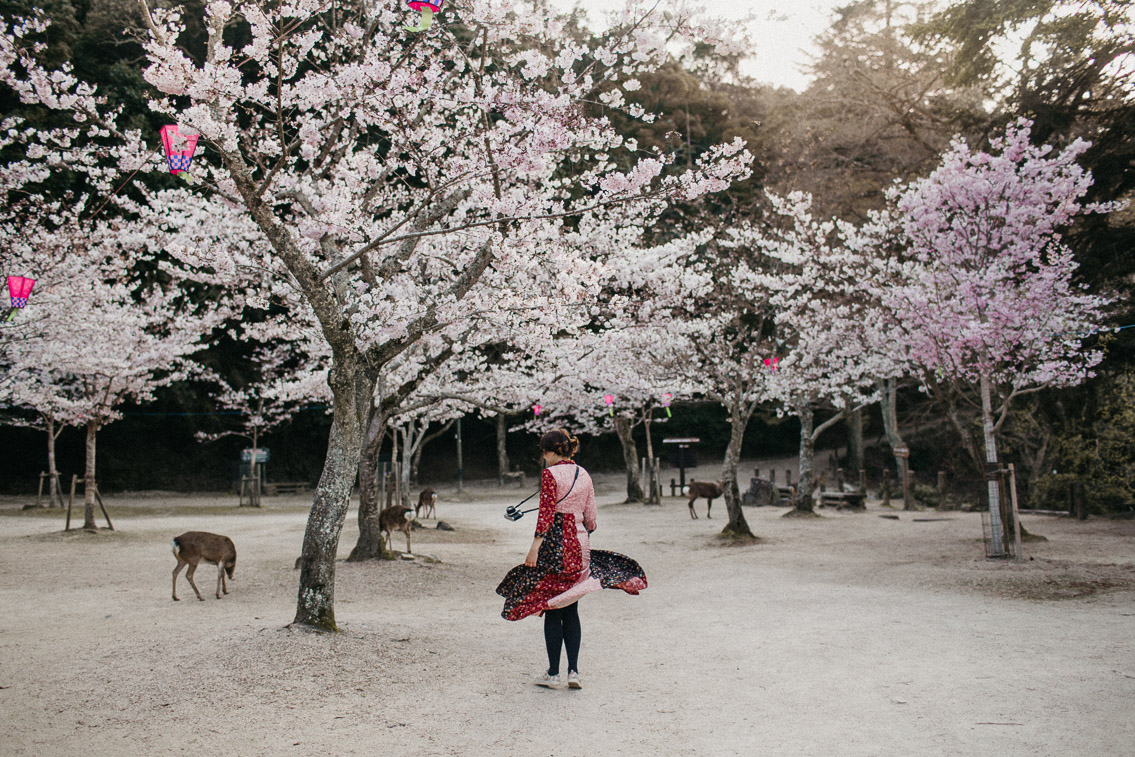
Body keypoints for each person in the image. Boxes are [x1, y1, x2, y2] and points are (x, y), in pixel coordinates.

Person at [496, 428, 648, 690]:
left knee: (553, 608)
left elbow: (545, 516)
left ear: (552, 451)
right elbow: (592, 519)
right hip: (580, 549)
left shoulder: (550, 475)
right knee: (572, 608)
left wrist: (534, 548)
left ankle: (553, 674)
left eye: (544, 452)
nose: (543, 457)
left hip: (554, 548)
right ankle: (574, 672)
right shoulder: (584, 474)